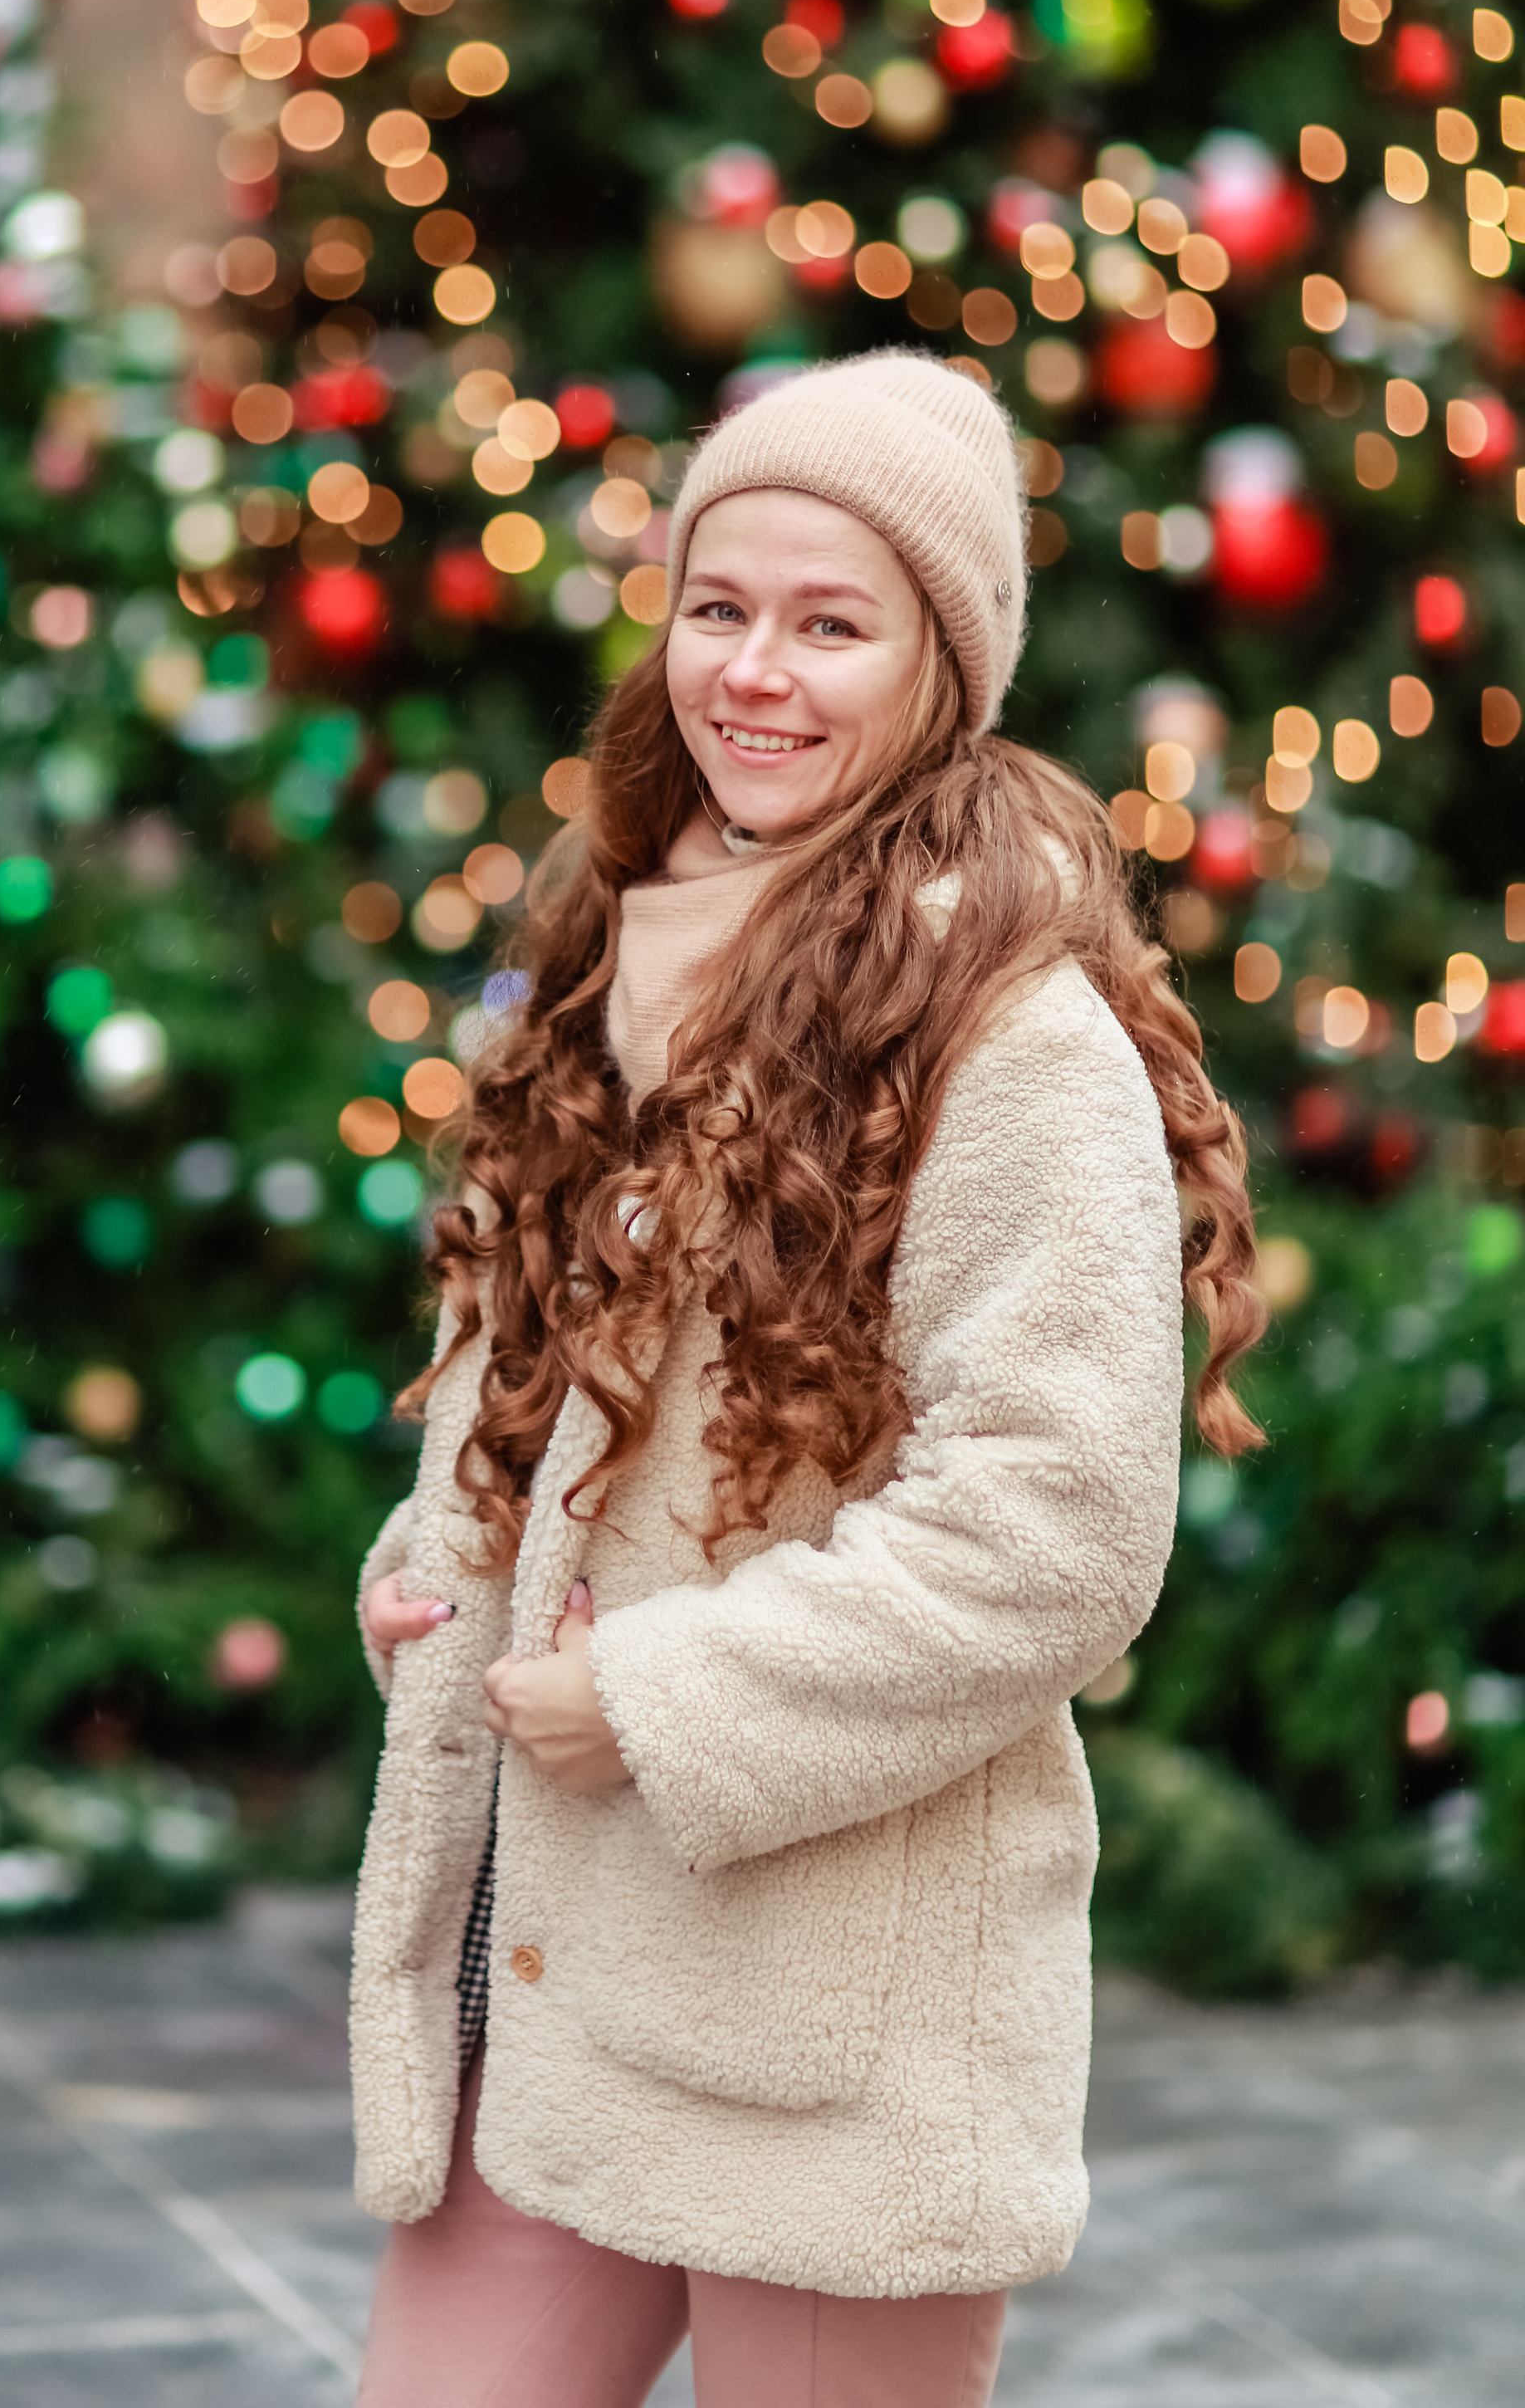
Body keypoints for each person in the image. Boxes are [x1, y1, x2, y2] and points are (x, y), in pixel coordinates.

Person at [345, 353, 1265, 2408]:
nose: (751, 674)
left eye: (828, 625)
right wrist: (438, 1569)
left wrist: (657, 1702)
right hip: (559, 1970)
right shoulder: (614, 960)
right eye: (715, 607)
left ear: (937, 666)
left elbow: (1056, 1533)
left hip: (832, 2015)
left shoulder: (1005, 1037)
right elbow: (541, 1395)